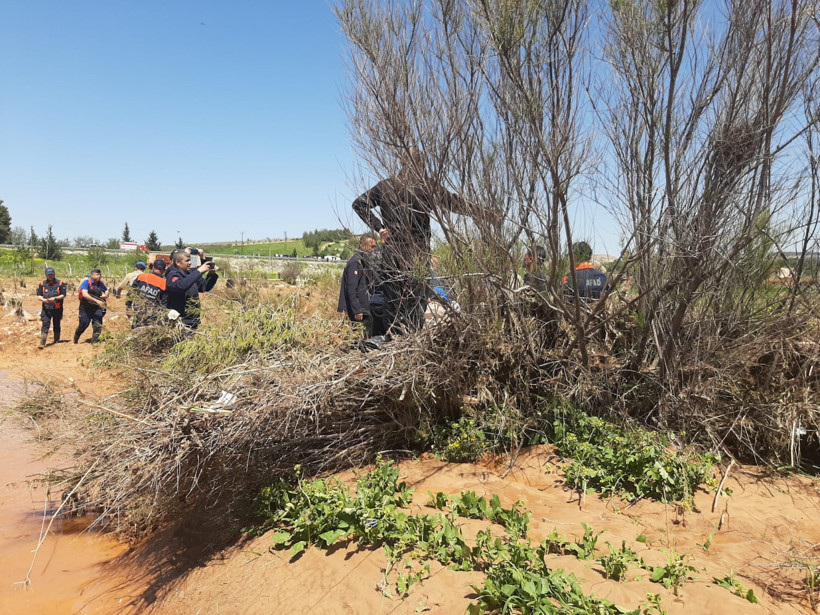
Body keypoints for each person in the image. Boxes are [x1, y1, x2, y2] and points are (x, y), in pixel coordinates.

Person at [352, 147, 472, 335]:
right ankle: (412, 341)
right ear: (420, 165)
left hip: (392, 257)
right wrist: (484, 214)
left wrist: (379, 228)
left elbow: (359, 204)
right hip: (418, 256)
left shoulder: (386, 186)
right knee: (416, 305)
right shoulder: (427, 186)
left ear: (402, 163)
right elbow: (455, 203)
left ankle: (394, 343)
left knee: (392, 305)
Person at [165, 249, 219, 329]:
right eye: (187, 261)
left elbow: (204, 287)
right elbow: (181, 286)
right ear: (178, 262)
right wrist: (199, 271)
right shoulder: (172, 275)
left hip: (193, 320)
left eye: (190, 260)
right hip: (180, 321)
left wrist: (211, 275)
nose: (190, 263)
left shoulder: (190, 274)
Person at [338, 234, 377, 336]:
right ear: (362, 245)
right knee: (356, 338)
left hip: (363, 310)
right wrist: (357, 310)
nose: (373, 250)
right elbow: (351, 289)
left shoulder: (364, 261)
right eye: (371, 246)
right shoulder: (355, 262)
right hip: (357, 312)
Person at [74, 268, 109, 343]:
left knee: (98, 325)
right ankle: (76, 338)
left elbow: (106, 290)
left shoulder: (100, 283)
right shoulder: (86, 282)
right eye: (97, 274)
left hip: (96, 308)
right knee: (83, 324)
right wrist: (97, 301)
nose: (99, 276)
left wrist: (106, 295)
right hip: (85, 308)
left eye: (100, 275)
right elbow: (85, 294)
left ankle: (94, 341)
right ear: (92, 275)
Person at [130, 259, 168, 327]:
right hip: (153, 315)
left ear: (153, 268)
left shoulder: (142, 277)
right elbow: (164, 304)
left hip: (137, 311)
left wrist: (128, 307)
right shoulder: (164, 284)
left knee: (136, 329)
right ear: (164, 270)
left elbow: (131, 292)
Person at [36, 267, 66, 348]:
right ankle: (42, 343)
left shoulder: (60, 283)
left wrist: (55, 298)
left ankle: (56, 340)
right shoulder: (42, 284)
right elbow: (39, 295)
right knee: (45, 324)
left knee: (56, 324)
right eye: (48, 274)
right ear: (46, 275)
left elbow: (63, 295)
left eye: (51, 274)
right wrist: (43, 299)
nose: (50, 276)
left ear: (54, 274)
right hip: (46, 309)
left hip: (57, 308)